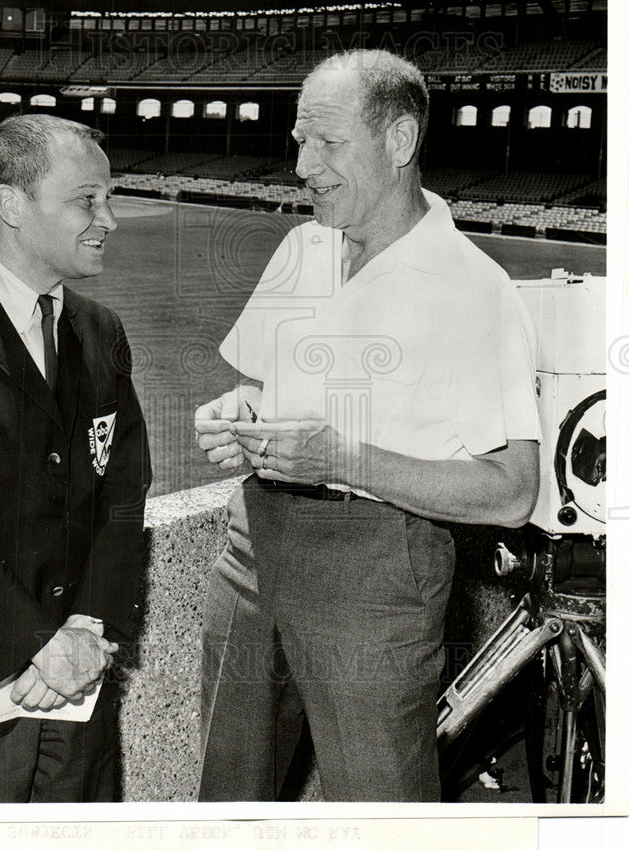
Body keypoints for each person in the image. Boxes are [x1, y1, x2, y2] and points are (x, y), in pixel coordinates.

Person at [194, 50, 540, 802]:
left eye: (327, 142)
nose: (302, 165)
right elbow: (256, 384)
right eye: (297, 141)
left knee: (378, 813)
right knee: (225, 801)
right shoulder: (301, 247)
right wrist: (236, 411)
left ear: (399, 140)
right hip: (250, 549)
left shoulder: (473, 289)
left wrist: (343, 460)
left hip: (376, 574)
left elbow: (511, 492)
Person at [0, 114, 151, 802]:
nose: (109, 219)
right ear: (12, 204)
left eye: (109, 198)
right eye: (87, 199)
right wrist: (34, 646)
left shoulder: (102, 332)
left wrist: (86, 626)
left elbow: (124, 489)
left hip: (81, 697)